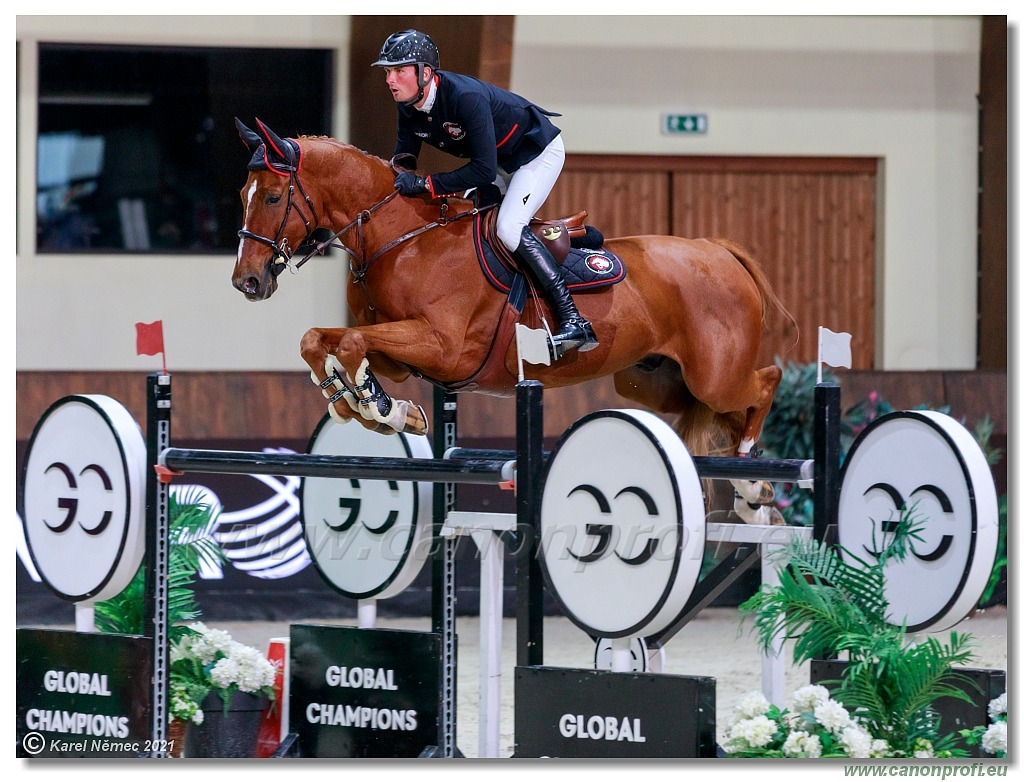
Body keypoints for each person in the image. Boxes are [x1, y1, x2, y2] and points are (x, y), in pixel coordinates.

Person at [372, 29, 598, 357]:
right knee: (464, 216)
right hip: (501, 163)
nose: (390, 80)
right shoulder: (409, 105)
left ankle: (573, 319)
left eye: (399, 71)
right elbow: (405, 157)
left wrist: (426, 186)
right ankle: (576, 241)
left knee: (508, 228)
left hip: (535, 154)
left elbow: (482, 170)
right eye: (387, 72)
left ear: (424, 73)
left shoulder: (465, 97)